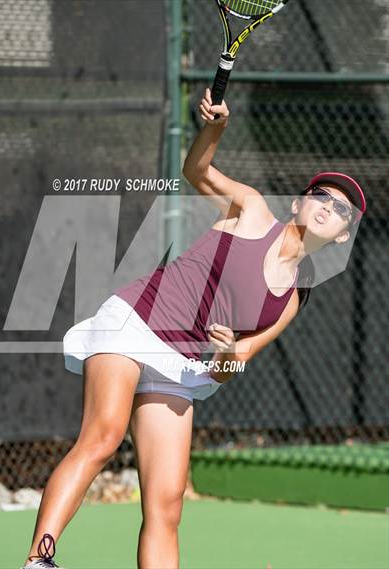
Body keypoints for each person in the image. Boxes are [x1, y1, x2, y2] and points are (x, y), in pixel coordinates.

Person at [21, 88, 366, 569]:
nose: (329, 206)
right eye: (321, 196)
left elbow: (231, 369)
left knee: (166, 502)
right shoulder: (251, 210)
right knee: (103, 437)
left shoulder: (290, 302)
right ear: (297, 204)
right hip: (134, 324)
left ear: (344, 234)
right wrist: (214, 129)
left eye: (342, 209)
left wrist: (225, 351)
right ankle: (39, 560)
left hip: (182, 366)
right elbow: (196, 172)